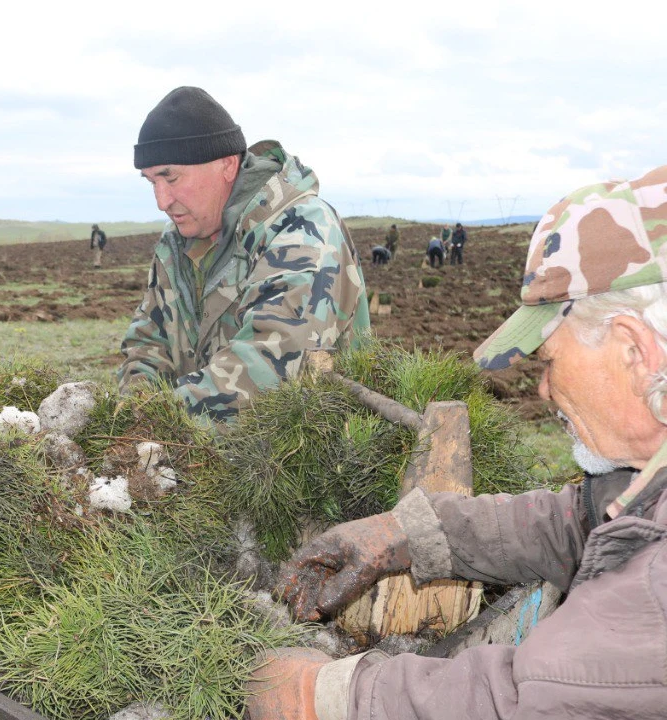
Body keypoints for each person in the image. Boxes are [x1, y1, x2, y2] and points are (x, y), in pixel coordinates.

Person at [246, 164, 667, 720]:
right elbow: (579, 521)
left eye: (548, 361)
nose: (542, 388)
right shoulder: (645, 480)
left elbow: (541, 696)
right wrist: (404, 533)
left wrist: (320, 694)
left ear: (634, 350)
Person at [118, 86, 370, 421]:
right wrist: (135, 407)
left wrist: (157, 422)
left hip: (306, 463)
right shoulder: (177, 242)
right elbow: (148, 342)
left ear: (226, 165)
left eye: (171, 178)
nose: (161, 201)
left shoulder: (303, 231)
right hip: (201, 457)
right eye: (151, 182)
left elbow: (272, 369)